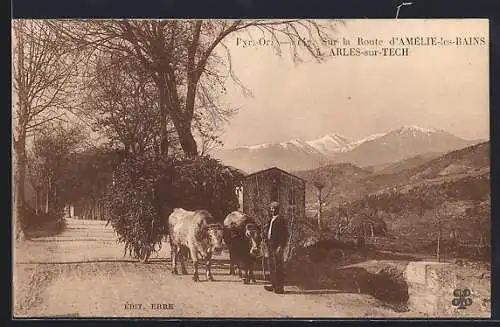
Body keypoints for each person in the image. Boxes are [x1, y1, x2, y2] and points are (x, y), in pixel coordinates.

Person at [264, 201, 288, 294]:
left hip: (277, 245)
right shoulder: (270, 219)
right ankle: (273, 284)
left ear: (278, 209)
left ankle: (280, 287)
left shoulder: (281, 220)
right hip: (270, 244)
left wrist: (281, 246)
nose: (272, 210)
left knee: (278, 266)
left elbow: (284, 234)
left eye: (274, 208)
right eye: (271, 208)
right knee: (271, 265)